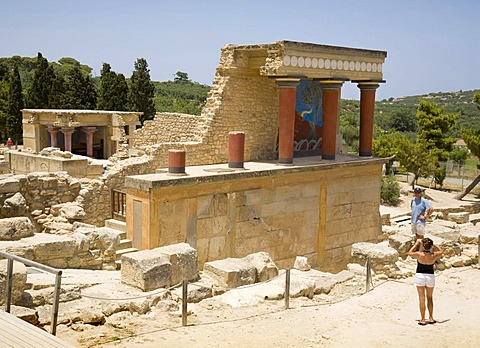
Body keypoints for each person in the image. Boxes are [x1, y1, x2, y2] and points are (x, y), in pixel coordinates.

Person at [408, 238, 443, 326]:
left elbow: (409, 253)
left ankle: (423, 319)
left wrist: (416, 244)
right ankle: (431, 318)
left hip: (420, 276)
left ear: (423, 245)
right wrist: (433, 244)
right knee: (430, 298)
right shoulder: (433, 255)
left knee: (421, 298)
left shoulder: (419, 254)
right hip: (430, 276)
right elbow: (441, 251)